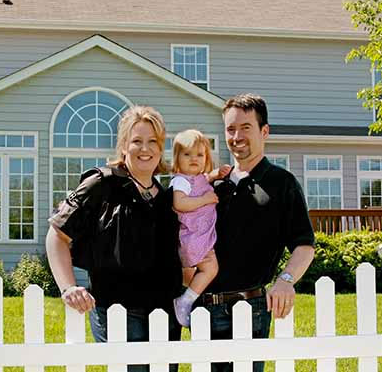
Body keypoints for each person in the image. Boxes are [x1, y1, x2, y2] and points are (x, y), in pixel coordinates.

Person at [46, 105, 183, 372]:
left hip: (164, 312)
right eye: (137, 141)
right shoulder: (101, 184)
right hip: (117, 309)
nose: (145, 149)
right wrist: (68, 287)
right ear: (123, 146)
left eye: (153, 141)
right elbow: (57, 235)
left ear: (161, 148)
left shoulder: (168, 197)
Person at [199, 94, 316, 372]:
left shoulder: (281, 183)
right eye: (230, 129)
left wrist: (286, 280)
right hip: (204, 310)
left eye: (245, 128)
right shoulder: (214, 185)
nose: (237, 136)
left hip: (250, 309)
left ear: (264, 131)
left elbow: (304, 244)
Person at [169, 129, 231, 327]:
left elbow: (206, 178)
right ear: (177, 159)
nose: (194, 159)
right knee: (211, 268)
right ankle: (185, 300)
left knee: (205, 269)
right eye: (187, 154)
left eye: (200, 155)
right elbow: (179, 203)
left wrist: (216, 174)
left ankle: (187, 296)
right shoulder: (181, 181)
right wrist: (205, 199)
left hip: (200, 235)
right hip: (193, 237)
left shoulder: (198, 178)